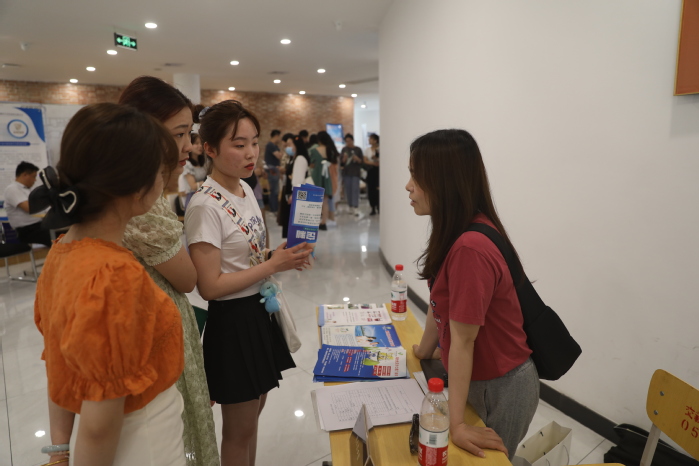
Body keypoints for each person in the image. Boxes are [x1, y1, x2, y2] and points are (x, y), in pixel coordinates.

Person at [33, 103, 186, 466]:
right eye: (160, 172)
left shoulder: (62, 252)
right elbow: (100, 425)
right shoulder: (113, 276)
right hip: (142, 438)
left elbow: (59, 363)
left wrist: (59, 452)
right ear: (137, 186)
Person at [185, 100, 313, 466]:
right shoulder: (204, 206)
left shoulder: (243, 188)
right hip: (232, 324)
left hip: (258, 313)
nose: (251, 153)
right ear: (210, 149)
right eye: (238, 144)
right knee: (238, 432)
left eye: (254, 142)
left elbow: (247, 255)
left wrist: (278, 255)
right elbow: (210, 286)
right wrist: (273, 264)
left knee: (253, 419)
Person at [408, 129, 539, 460]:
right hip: (478, 378)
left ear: (444, 182)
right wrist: (425, 350)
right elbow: (441, 303)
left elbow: (464, 341)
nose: (408, 186)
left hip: (502, 387)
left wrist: (455, 425)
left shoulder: (470, 247)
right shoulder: (454, 230)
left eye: (416, 177)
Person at [118, 76, 219, 466]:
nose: (190, 146)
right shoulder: (136, 201)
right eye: (179, 134)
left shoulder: (153, 193)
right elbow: (189, 278)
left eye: (190, 134)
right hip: (149, 346)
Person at [3, 161, 53, 247]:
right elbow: (29, 208)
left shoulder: (27, 190)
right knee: (58, 237)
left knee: (65, 232)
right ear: (25, 175)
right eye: (33, 176)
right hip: (27, 230)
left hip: (39, 226)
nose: (35, 180)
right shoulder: (12, 189)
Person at [280, 136, 311, 238]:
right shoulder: (295, 158)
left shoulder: (300, 159)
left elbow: (298, 179)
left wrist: (294, 194)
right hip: (295, 193)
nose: (289, 147)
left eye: (291, 144)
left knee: (296, 222)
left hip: (297, 194)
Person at [308, 132, 334, 230]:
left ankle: (313, 221)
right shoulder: (330, 150)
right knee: (325, 201)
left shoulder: (314, 150)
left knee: (315, 200)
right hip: (326, 176)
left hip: (317, 176)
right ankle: (324, 222)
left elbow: (312, 164)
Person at [178, 133, 207, 210]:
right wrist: (206, 183)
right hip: (192, 197)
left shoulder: (204, 163)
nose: (200, 146)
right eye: (196, 143)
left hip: (203, 195)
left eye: (201, 143)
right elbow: (193, 186)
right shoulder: (187, 164)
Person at [340, 133, 363, 216]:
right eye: (346, 141)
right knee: (348, 190)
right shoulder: (344, 149)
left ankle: (355, 206)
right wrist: (344, 159)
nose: (348, 143)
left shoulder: (358, 149)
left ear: (353, 140)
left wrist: (357, 159)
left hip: (355, 172)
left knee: (355, 189)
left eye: (349, 141)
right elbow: (342, 162)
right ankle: (350, 206)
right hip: (346, 173)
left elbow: (361, 161)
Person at [264, 129, 283, 214]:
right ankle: (273, 209)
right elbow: (279, 156)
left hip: (275, 169)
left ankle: (274, 208)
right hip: (272, 169)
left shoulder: (275, 146)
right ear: (276, 136)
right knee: (274, 190)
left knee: (275, 190)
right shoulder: (270, 145)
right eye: (279, 137)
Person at [364, 133, 380, 215]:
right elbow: (365, 160)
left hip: (379, 171)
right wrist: (373, 163)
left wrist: (377, 159)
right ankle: (372, 207)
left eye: (370, 139)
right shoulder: (367, 150)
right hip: (371, 170)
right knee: (371, 189)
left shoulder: (380, 148)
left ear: (375, 140)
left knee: (378, 188)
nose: (369, 140)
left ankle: (379, 206)